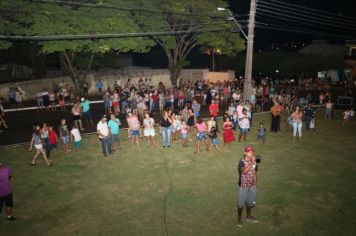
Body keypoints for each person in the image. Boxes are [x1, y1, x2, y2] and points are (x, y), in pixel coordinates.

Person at [237, 145, 259, 227]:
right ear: (245, 153)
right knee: (240, 204)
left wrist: (255, 185)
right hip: (243, 186)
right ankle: (239, 218)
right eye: (249, 152)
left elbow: (255, 173)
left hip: (252, 186)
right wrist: (251, 163)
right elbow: (244, 172)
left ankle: (248, 216)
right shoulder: (241, 162)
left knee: (250, 203)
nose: (251, 153)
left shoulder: (255, 162)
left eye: (252, 151)